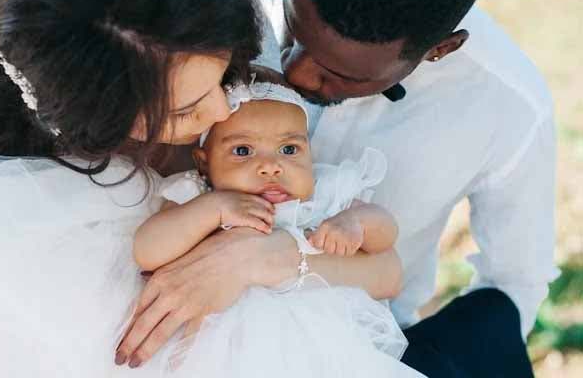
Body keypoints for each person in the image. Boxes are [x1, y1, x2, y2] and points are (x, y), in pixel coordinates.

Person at [118, 0, 558, 377]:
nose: (296, 73)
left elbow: (512, 285)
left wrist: (266, 260)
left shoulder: (509, 107)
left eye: (342, 73)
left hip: (357, 344)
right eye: (293, 31)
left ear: (439, 49)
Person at [0, 0, 262, 375]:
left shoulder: (249, 106)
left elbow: (379, 263)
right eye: (185, 111)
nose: (224, 112)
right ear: (95, 119)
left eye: (222, 79)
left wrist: (256, 256)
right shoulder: (0, 221)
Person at [127, 74, 423, 376]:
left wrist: (356, 223)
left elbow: (386, 234)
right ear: (204, 162)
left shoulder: (326, 192)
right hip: (215, 352)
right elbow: (147, 249)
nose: (271, 166)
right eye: (243, 151)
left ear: (310, 153)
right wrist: (212, 209)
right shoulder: (198, 194)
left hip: (315, 349)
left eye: (289, 150)